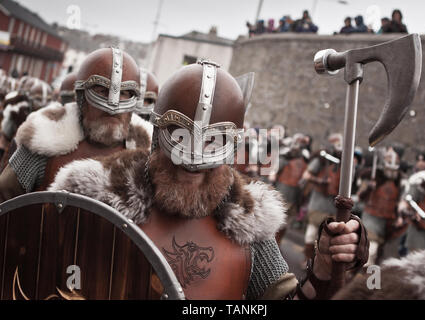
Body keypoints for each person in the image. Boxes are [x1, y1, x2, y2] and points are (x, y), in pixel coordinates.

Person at [48, 60, 369, 300]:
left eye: (214, 142)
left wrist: (324, 269)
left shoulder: (248, 219)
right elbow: (34, 268)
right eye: (181, 136)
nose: (194, 160)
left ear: (231, 145)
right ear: (160, 133)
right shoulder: (95, 192)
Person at [0, 47, 153, 202]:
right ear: (81, 97)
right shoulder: (45, 139)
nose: (113, 106)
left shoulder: (149, 155)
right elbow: (4, 201)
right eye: (101, 90)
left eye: (124, 93)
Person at [301, 133, 342, 262]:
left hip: (332, 204)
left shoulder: (345, 163)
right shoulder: (321, 158)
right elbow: (306, 175)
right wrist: (319, 181)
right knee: (310, 235)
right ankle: (307, 260)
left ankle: (317, 263)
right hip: (318, 202)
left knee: (324, 240)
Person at [357, 147, 402, 265]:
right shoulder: (375, 175)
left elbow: (398, 201)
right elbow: (361, 196)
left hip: (387, 221)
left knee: (379, 255)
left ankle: (368, 279)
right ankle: (362, 277)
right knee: (370, 250)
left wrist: (398, 217)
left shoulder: (399, 180)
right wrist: (369, 188)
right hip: (372, 216)